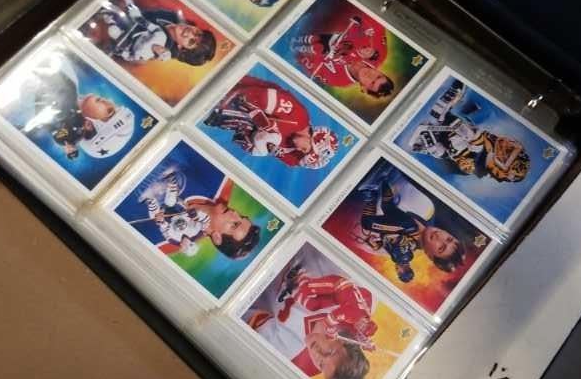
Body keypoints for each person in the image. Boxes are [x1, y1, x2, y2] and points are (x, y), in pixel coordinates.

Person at [245, 260, 376, 379]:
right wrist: (347, 288)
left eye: (321, 364)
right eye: (329, 352)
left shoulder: (287, 349)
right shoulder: (360, 308)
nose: (317, 353)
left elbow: (243, 309)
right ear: (346, 342)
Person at [356, 164, 465, 282]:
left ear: (430, 256)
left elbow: (369, 224)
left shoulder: (401, 251)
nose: (439, 236)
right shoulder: (426, 207)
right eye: (449, 238)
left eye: (441, 247)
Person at [407, 78, 531, 182]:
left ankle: (436, 128)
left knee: (476, 123)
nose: (507, 149)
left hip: (448, 141)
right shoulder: (489, 141)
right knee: (475, 119)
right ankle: (445, 114)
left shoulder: (474, 165)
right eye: (510, 151)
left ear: (500, 171)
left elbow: (450, 159)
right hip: (455, 129)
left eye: (507, 157)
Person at [205, 74, 338, 169]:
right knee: (268, 133)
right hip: (228, 82)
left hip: (215, 110)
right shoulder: (298, 115)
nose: (299, 150)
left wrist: (252, 141)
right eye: (305, 149)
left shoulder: (293, 156)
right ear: (313, 137)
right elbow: (246, 94)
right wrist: (220, 104)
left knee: (260, 146)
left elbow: (292, 160)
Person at [134, 167, 260, 259]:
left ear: (217, 237)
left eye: (234, 224)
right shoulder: (220, 181)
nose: (235, 213)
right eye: (241, 216)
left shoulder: (161, 244)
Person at [22, 59, 134, 160]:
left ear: (89, 125)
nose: (109, 101)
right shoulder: (70, 83)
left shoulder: (62, 96)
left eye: (109, 111)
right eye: (114, 105)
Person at [88, 0, 216, 66]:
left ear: (181, 48)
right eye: (197, 33)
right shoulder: (172, 16)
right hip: (114, 4)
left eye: (191, 41)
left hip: (99, 24)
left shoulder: (158, 48)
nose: (190, 33)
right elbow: (140, 14)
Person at [290, 14, 395, 98]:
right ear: (381, 72)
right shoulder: (379, 53)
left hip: (299, 30)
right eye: (378, 76)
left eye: (372, 83)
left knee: (317, 46)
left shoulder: (338, 80)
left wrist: (322, 53)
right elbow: (373, 17)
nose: (371, 76)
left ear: (364, 89)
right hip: (326, 12)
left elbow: (301, 58)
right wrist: (365, 32)